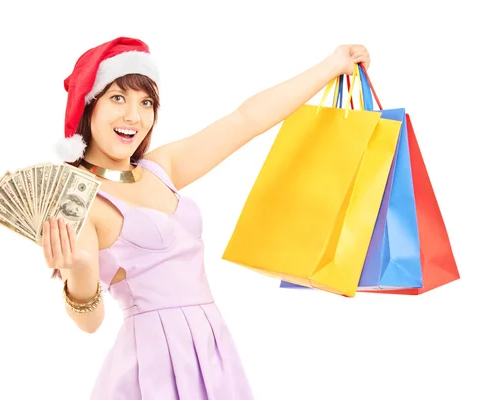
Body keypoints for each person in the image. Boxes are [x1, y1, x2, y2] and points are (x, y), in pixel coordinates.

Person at [41, 36, 370, 399]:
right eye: (118, 97)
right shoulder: (80, 198)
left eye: (146, 102)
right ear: (90, 106)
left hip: (212, 347)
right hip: (154, 363)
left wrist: (332, 65)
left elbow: (247, 119)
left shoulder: (160, 168)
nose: (134, 116)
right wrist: (82, 272)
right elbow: (89, 323)